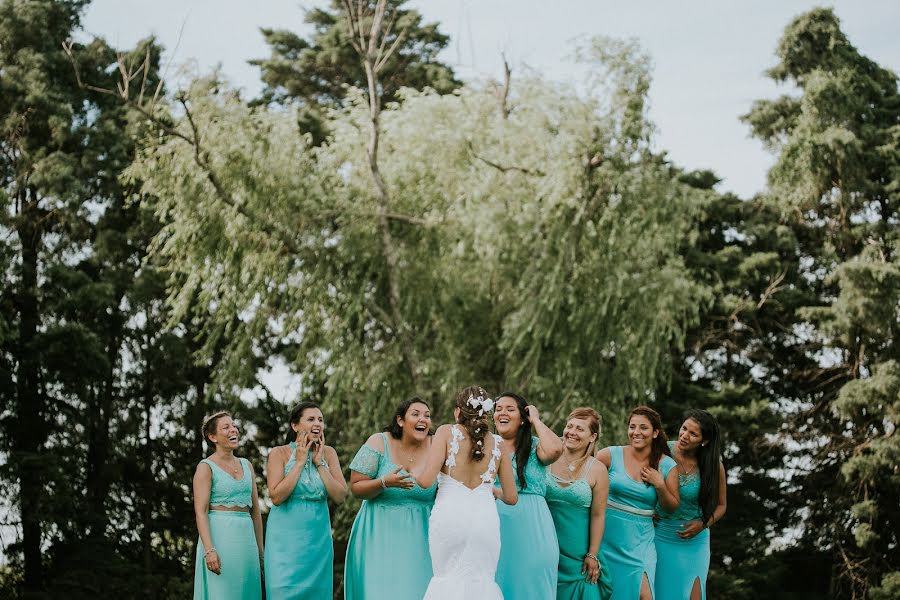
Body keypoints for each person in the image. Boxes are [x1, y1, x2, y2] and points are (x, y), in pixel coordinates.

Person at [413, 385, 518, 599]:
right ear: (486, 413)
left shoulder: (445, 432)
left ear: (457, 412)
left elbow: (425, 482)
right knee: (481, 580)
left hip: (450, 516)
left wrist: (413, 469)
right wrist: (491, 491)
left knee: (447, 578)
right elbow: (512, 498)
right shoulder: (498, 443)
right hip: (484, 519)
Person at [344, 397, 438, 599]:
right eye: (416, 414)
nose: (423, 419)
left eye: (427, 415)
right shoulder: (379, 442)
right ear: (400, 420)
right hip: (378, 533)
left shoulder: (437, 445)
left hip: (423, 536)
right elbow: (356, 488)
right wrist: (384, 482)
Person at [264, 401, 347, 600]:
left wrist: (319, 464)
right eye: (310, 419)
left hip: (318, 540)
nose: (317, 423)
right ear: (295, 426)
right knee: (284, 592)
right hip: (285, 542)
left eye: (320, 419)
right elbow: (276, 497)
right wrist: (299, 462)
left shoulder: (329, 453)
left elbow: (340, 496)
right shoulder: (279, 453)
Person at [596, 406, 679, 600]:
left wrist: (660, 485)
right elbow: (586, 484)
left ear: (655, 432)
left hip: (640, 540)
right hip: (607, 535)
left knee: (644, 594)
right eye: (632, 427)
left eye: (643, 427)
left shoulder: (667, 465)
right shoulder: (608, 455)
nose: (636, 432)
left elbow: (671, 507)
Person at [493, 392, 565, 598]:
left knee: (533, 586)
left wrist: (535, 419)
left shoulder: (535, 446)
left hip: (533, 527)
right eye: (498, 409)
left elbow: (555, 449)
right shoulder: (488, 446)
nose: (502, 413)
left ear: (523, 417)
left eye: (509, 409)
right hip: (494, 526)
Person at [654, 410, 727, 600]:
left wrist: (703, 524)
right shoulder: (661, 452)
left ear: (704, 441)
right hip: (660, 534)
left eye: (693, 433)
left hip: (695, 540)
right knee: (663, 593)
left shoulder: (713, 465)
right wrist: (648, 510)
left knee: (694, 594)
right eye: (684, 428)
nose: (684, 435)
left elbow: (721, 506)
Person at [192, 411, 264, 600]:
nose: (233, 429)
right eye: (226, 427)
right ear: (212, 437)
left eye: (233, 425)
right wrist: (209, 550)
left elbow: (256, 512)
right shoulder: (205, 467)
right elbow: (201, 512)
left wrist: (260, 551)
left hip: (246, 541)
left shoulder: (247, 465)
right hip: (219, 540)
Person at [546, 408, 613, 600]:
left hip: (579, 555)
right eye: (569, 426)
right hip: (545, 546)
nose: (572, 432)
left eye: (580, 429)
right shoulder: (546, 457)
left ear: (592, 437)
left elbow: (598, 515)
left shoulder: (598, 469)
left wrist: (592, 554)